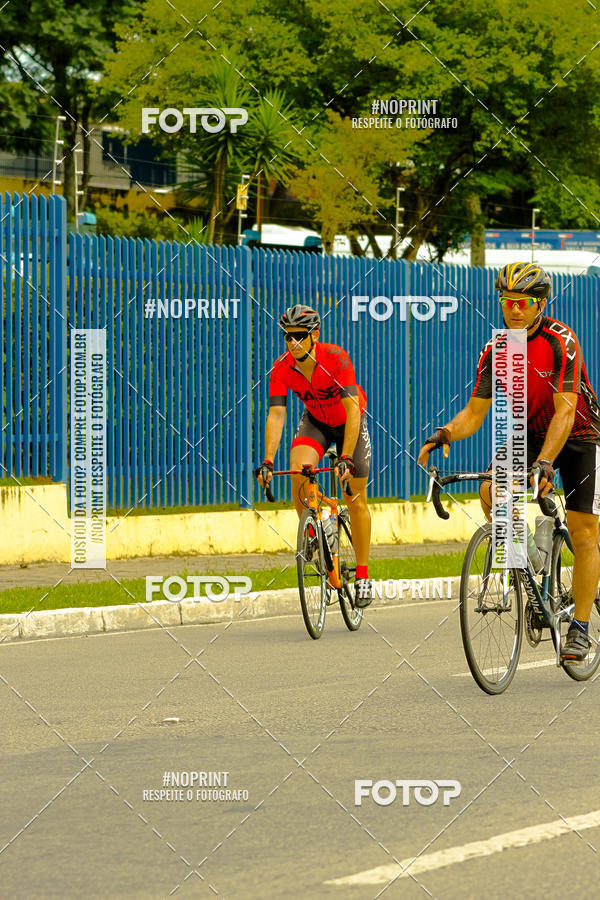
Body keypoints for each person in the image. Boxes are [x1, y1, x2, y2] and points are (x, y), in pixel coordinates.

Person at [417, 261, 600, 661]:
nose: (514, 309)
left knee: (585, 533)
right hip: (531, 435)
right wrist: (444, 433)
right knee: (490, 490)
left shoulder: (560, 340)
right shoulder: (497, 350)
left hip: (580, 435)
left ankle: (581, 628)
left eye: (522, 302)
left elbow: (566, 411)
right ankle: (527, 560)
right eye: (507, 301)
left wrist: (547, 463)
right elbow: (474, 413)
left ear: (540, 304)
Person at [256, 304, 373, 608]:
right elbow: (277, 414)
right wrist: (268, 461)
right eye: (287, 337)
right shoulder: (281, 367)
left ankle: (362, 575)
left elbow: (351, 409)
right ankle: (314, 528)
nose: (292, 343)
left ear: (314, 335)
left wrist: (346, 456)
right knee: (298, 469)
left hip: (349, 422)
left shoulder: (335, 357)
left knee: (355, 498)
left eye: (298, 336)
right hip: (317, 422)